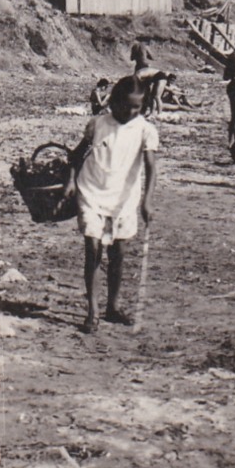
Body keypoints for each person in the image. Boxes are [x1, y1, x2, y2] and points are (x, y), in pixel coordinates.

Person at [62, 76, 157, 334]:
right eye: (125, 105)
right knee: (93, 248)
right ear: (113, 101)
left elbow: (150, 168)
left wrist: (147, 200)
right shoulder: (97, 124)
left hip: (123, 199)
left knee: (118, 254)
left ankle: (112, 307)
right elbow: (76, 154)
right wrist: (71, 181)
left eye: (136, 107)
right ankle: (92, 311)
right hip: (91, 191)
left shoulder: (145, 130)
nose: (130, 112)